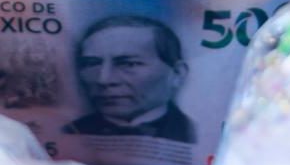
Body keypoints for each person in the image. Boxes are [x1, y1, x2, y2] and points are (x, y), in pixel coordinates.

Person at [63, 15, 195, 143]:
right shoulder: (66, 132)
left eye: (129, 64)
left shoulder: (197, 134)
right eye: (92, 64)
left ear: (177, 73)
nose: (104, 80)